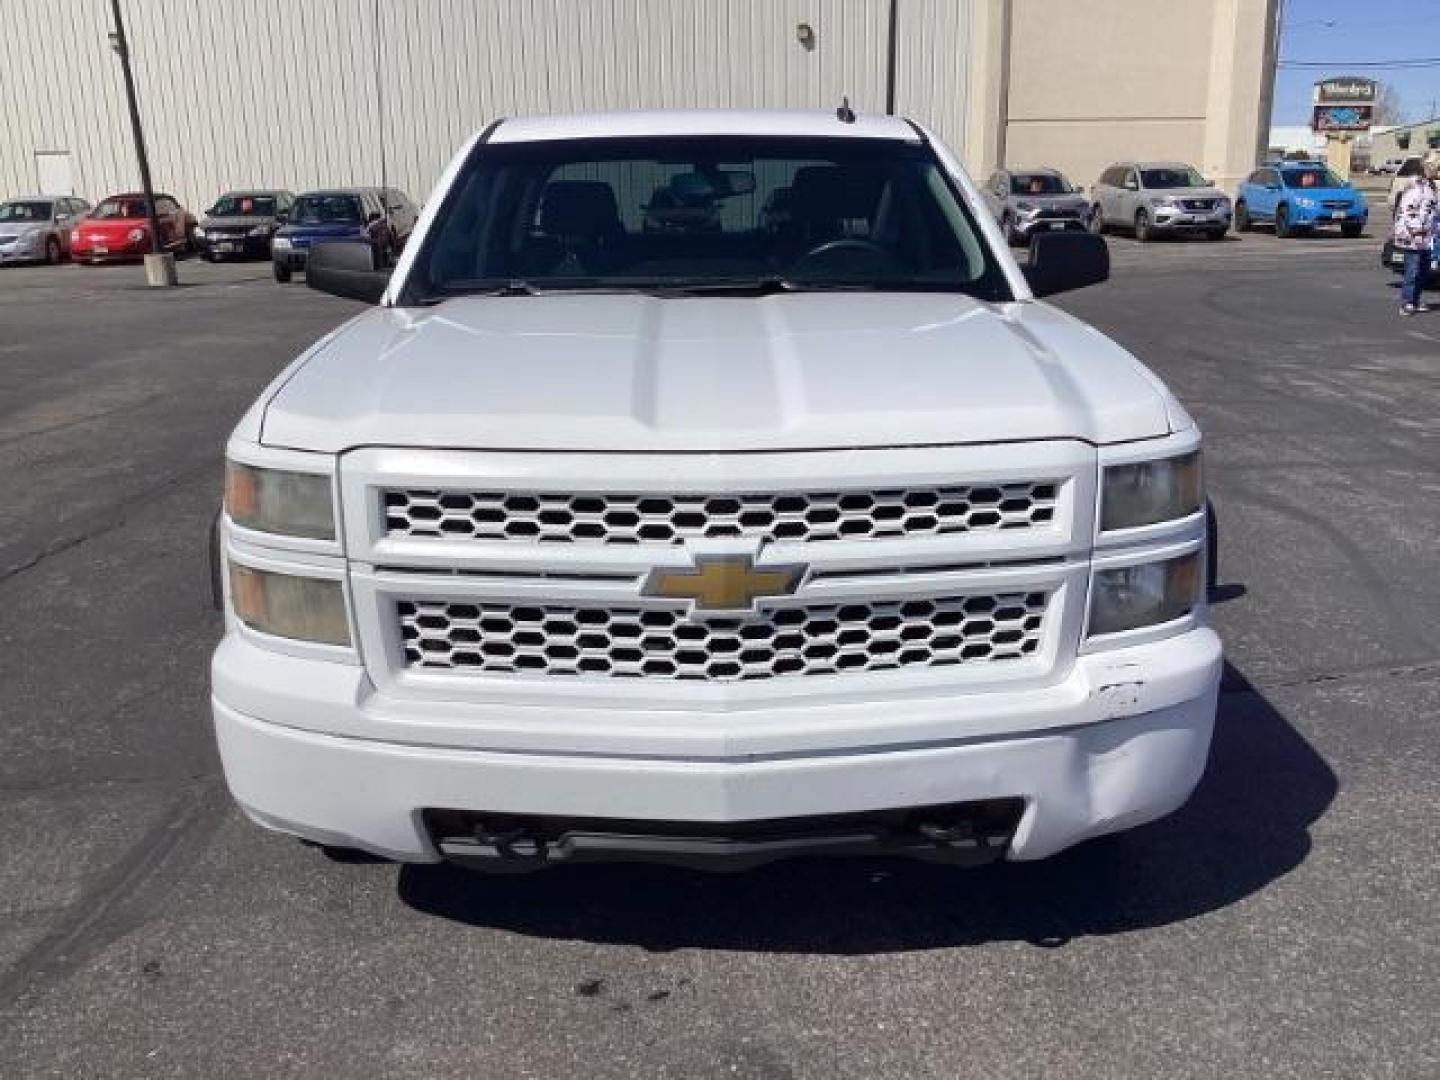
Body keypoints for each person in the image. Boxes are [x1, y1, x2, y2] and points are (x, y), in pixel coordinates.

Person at [1392, 153, 1439, 315]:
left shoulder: (1430, 186)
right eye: (1438, 167)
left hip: (1426, 236)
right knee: (1413, 270)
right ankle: (1406, 303)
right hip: (1412, 236)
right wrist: (1416, 231)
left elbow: (1433, 209)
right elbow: (1409, 210)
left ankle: (1415, 300)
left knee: (1424, 270)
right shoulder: (1416, 186)